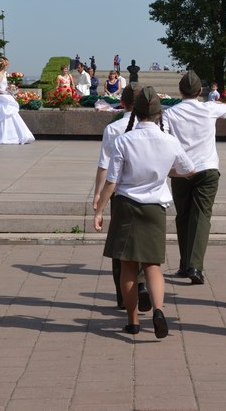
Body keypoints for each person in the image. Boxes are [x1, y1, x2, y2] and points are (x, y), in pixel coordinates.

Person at [94, 86, 195, 337]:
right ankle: (158, 310)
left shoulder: (124, 140)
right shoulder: (169, 140)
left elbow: (112, 181)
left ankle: (133, 320)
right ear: (159, 114)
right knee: (153, 265)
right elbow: (189, 169)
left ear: (134, 113)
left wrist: (99, 209)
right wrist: (164, 172)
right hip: (155, 206)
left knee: (128, 266)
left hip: (128, 205)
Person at [163, 70, 226, 284]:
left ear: (180, 91)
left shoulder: (170, 114)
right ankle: (195, 267)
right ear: (200, 91)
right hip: (207, 170)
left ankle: (185, 265)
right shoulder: (209, 109)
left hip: (182, 171)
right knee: (201, 218)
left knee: (183, 216)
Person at [92, 83, 150, 312]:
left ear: (122, 102)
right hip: (149, 193)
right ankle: (143, 283)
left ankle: (122, 295)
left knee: (120, 245)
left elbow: (104, 166)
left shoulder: (114, 129)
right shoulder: (154, 128)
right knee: (144, 243)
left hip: (120, 194)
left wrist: (98, 195)